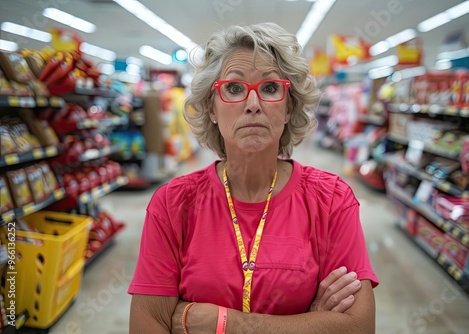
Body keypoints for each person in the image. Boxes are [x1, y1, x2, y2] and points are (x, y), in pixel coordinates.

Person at [128, 22, 378, 334]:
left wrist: (225, 323)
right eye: (233, 89)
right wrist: (310, 322)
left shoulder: (331, 199)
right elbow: (148, 324)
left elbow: (358, 327)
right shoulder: (173, 203)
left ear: (289, 107)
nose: (253, 105)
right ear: (212, 108)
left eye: (270, 88)